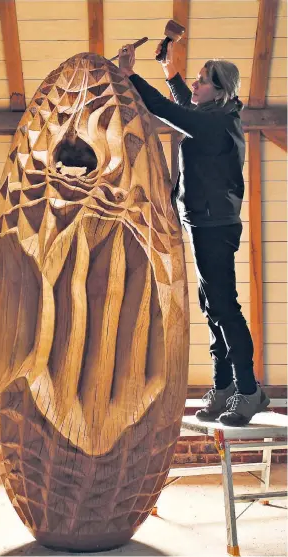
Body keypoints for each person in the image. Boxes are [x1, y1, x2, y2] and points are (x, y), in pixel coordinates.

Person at [117, 41, 270, 426]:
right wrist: (170, 73)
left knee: (224, 307)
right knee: (212, 307)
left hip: (214, 225)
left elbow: (168, 111)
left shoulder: (216, 122)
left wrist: (130, 75)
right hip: (203, 222)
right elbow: (185, 104)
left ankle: (248, 391)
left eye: (202, 81)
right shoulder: (216, 114)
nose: (195, 85)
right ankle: (223, 390)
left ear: (220, 90)